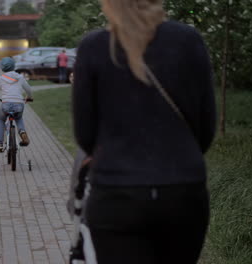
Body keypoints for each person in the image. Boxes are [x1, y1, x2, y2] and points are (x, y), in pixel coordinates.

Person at [72, 0, 217, 263]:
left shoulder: (94, 46)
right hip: (182, 192)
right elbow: (205, 129)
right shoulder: (188, 40)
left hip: (116, 194)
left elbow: (85, 133)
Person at [0, 57, 33, 153]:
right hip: (19, 104)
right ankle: (22, 132)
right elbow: (28, 89)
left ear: (2, 67)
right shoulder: (20, 77)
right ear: (14, 66)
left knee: (1, 120)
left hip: (6, 105)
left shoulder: (1, 78)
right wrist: (29, 97)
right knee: (18, 118)